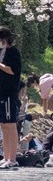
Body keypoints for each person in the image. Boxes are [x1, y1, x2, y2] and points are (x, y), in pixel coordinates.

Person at [0, 26, 22, 170]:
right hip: (1, 92)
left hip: (9, 93)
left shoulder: (13, 52)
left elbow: (12, 70)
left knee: (10, 124)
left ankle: (12, 158)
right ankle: (5, 157)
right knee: (3, 125)